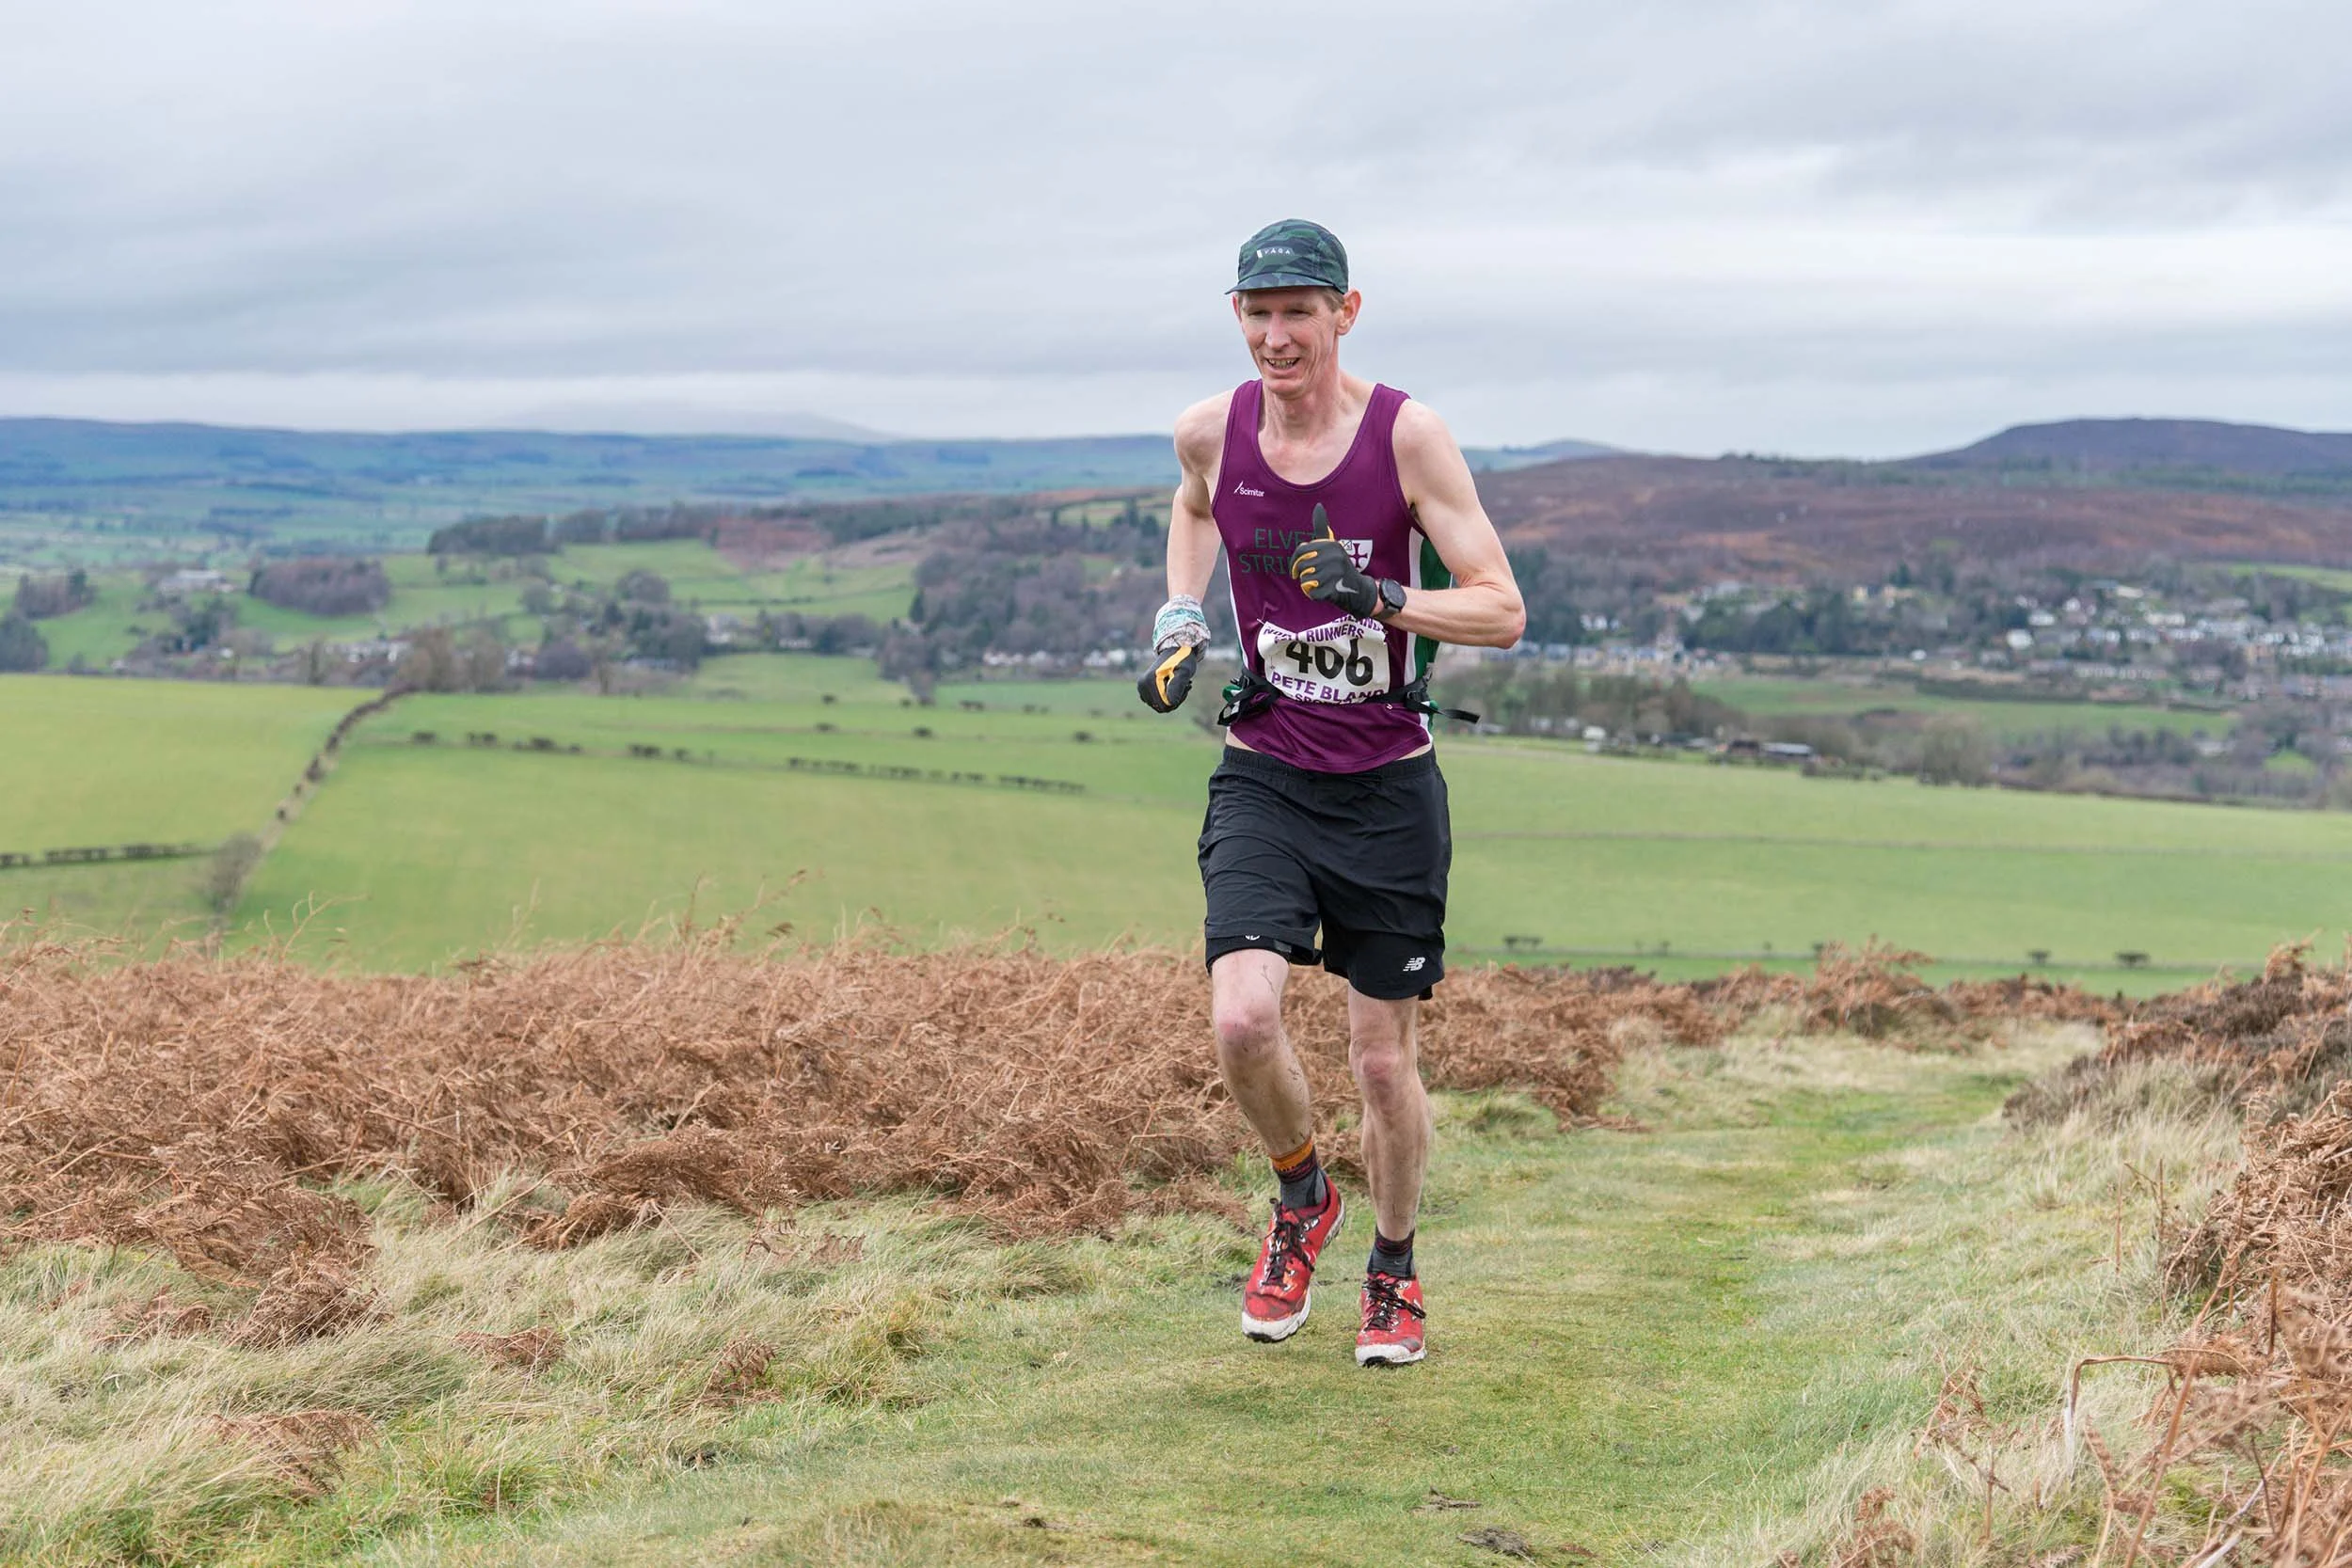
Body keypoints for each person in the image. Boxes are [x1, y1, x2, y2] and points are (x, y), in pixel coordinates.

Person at [1137, 219, 1525, 1366]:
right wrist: (1178, 616)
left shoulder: (1408, 437)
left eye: (1298, 311)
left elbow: (1500, 606)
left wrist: (1379, 599)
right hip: (1264, 767)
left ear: (1344, 313)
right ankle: (1301, 1194)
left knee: (1378, 1060)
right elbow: (1196, 505)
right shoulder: (1209, 430)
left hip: (1386, 788)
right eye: (1257, 313)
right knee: (1241, 1015)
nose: (1275, 334)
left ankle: (1393, 1269)